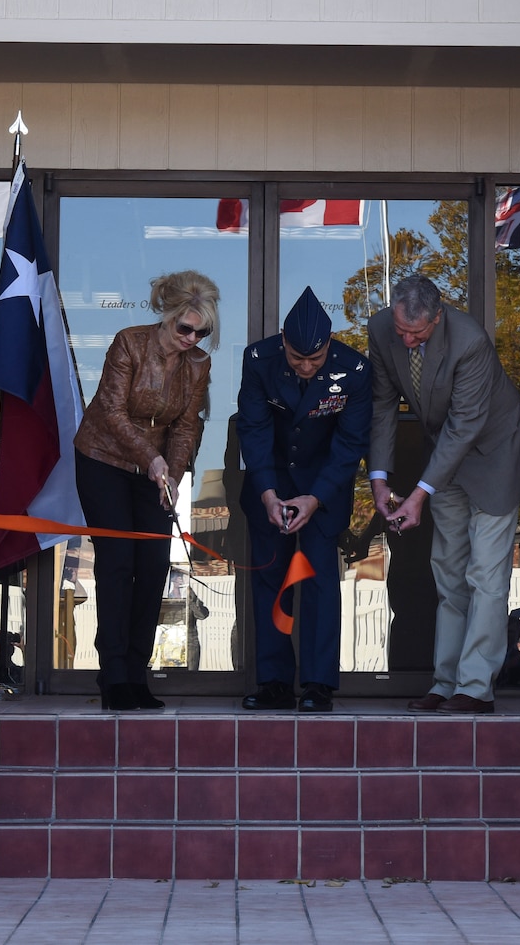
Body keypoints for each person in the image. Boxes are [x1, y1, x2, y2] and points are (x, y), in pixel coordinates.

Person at [367, 274, 520, 715]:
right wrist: (380, 479)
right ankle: (445, 683)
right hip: (444, 455)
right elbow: (383, 405)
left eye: (416, 333)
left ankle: (475, 689)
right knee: (447, 571)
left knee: (485, 576)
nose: (406, 339)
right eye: (401, 329)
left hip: (492, 452)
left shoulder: (470, 341)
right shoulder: (382, 330)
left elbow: (464, 427)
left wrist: (417, 495)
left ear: (438, 318)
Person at [71, 269, 219, 712]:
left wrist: (170, 474)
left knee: (154, 568)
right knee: (117, 565)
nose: (192, 337)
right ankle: (113, 677)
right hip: (103, 459)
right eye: (185, 327)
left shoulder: (198, 365)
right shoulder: (129, 342)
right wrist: (149, 458)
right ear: (167, 317)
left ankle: (137, 675)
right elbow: (113, 412)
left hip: (152, 471)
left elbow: (186, 425)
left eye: (203, 331)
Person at [236, 287, 372, 713]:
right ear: (283, 341)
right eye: (298, 358)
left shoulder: (354, 368)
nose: (307, 366)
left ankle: (317, 683)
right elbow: (253, 429)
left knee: (318, 583)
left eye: (315, 358)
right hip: (270, 480)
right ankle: (274, 680)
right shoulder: (259, 360)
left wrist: (315, 497)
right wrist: (268, 494)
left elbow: (351, 443)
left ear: (330, 344)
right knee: (270, 582)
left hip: (323, 486)